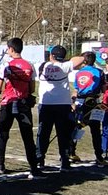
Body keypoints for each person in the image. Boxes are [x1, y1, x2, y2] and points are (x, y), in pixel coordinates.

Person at [0, 37, 39, 178]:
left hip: (8, 103)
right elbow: (32, 88)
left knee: (3, 135)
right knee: (27, 137)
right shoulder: (29, 65)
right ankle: (34, 168)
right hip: (23, 105)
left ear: (11, 49)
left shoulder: (6, 65)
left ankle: (0, 165)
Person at [35, 44, 89, 172]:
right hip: (62, 105)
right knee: (63, 134)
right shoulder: (65, 66)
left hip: (46, 104)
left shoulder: (42, 66)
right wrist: (65, 61)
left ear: (51, 56)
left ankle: (39, 160)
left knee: (43, 133)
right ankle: (64, 162)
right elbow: (82, 58)